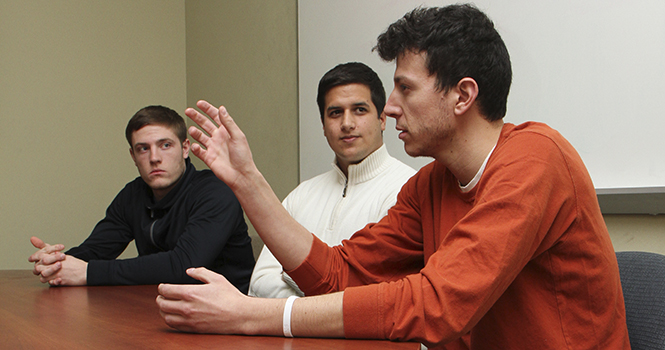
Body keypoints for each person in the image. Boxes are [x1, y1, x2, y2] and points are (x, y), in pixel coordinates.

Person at [156, 4, 630, 349]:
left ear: (462, 95)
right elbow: (338, 275)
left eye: (405, 87)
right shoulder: (430, 184)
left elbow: (436, 303)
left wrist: (254, 316)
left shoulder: (536, 158)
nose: (390, 107)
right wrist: (247, 182)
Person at [28, 105, 255, 292]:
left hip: (231, 318)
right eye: (143, 149)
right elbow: (96, 250)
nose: (154, 158)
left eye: (165, 145)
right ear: (133, 156)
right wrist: (58, 262)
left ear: (185, 148)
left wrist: (88, 272)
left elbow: (184, 265)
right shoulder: (133, 195)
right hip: (162, 309)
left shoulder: (215, 192)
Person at [249, 62, 416, 298]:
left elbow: (378, 294)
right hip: (289, 334)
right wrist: (320, 308)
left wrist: (292, 279)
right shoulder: (302, 195)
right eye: (335, 112)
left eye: (359, 110)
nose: (347, 124)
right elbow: (259, 284)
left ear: (382, 119)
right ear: (324, 126)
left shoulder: (407, 189)